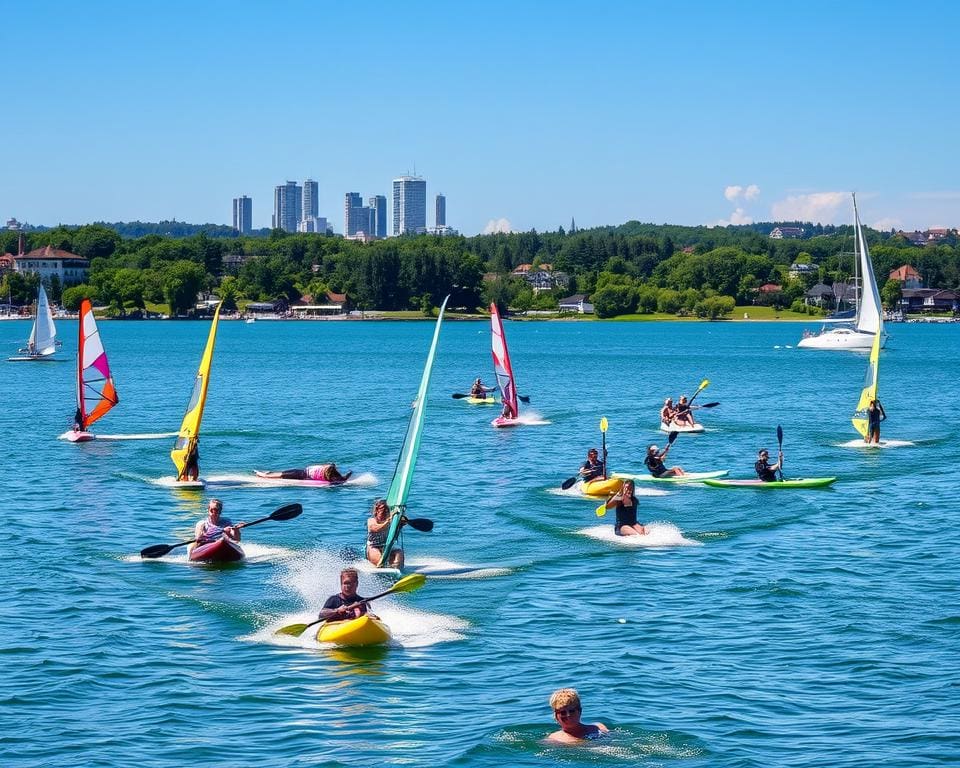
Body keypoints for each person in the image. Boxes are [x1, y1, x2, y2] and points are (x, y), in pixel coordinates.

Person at [366, 498, 403, 569]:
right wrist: (388, 521)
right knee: (381, 563)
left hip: (387, 546)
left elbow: (395, 535)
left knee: (399, 554)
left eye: (386, 511)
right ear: (376, 511)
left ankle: (396, 569)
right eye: (382, 511)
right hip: (373, 546)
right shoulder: (371, 521)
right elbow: (376, 528)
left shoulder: (391, 520)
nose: (385, 513)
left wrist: (400, 524)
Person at [256, 463, 352, 483]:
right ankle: (269, 474)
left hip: (301, 474)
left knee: (282, 475)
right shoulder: (330, 476)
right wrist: (349, 474)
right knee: (282, 474)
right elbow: (343, 478)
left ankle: (264, 475)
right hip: (302, 473)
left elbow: (342, 478)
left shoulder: (324, 471)